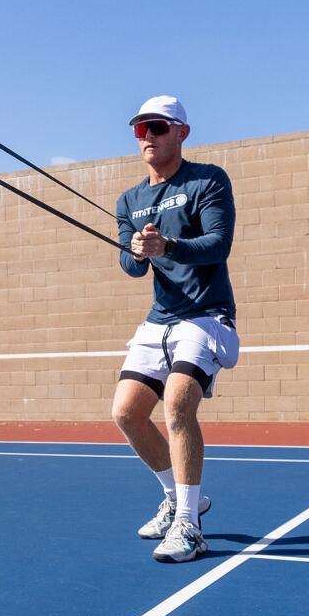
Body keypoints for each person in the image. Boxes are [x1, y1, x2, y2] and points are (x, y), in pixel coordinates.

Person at [110, 96, 240, 564]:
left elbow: (217, 244)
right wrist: (140, 251)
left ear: (181, 132)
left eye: (157, 128)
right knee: (126, 413)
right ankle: (178, 498)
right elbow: (129, 266)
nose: (147, 136)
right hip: (160, 319)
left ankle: (190, 525)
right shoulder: (130, 200)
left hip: (206, 314)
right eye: (140, 129)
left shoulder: (208, 180)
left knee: (179, 402)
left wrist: (168, 245)